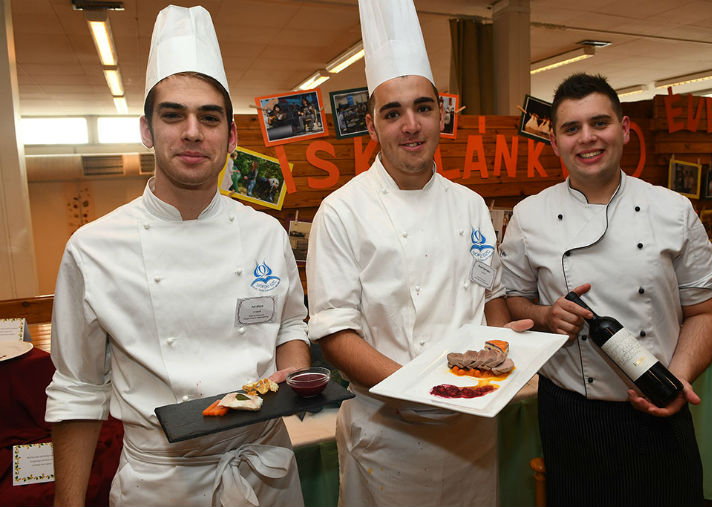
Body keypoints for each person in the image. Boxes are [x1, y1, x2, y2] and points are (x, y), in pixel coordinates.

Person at [45, 6, 309, 506]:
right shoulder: (93, 248)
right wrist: (68, 502)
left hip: (265, 472)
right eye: (173, 115)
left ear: (231, 137)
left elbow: (290, 326)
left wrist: (292, 372)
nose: (192, 132)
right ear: (147, 130)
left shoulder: (265, 234)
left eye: (209, 117)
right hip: (160, 483)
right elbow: (78, 390)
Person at [306, 1, 530, 505]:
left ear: (441, 114)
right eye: (393, 112)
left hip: (474, 426)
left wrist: (498, 347)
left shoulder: (472, 206)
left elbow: (490, 294)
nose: (411, 125)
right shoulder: (340, 212)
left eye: (423, 108)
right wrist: (424, 387)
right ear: (372, 127)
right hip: (388, 434)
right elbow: (337, 334)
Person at [499, 72, 712, 506]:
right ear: (555, 143)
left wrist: (677, 379)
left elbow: (705, 312)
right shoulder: (529, 217)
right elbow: (514, 304)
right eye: (571, 128)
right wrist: (546, 316)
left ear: (623, 129)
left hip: (660, 400)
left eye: (599, 123)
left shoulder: (673, 210)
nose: (587, 138)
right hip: (570, 413)